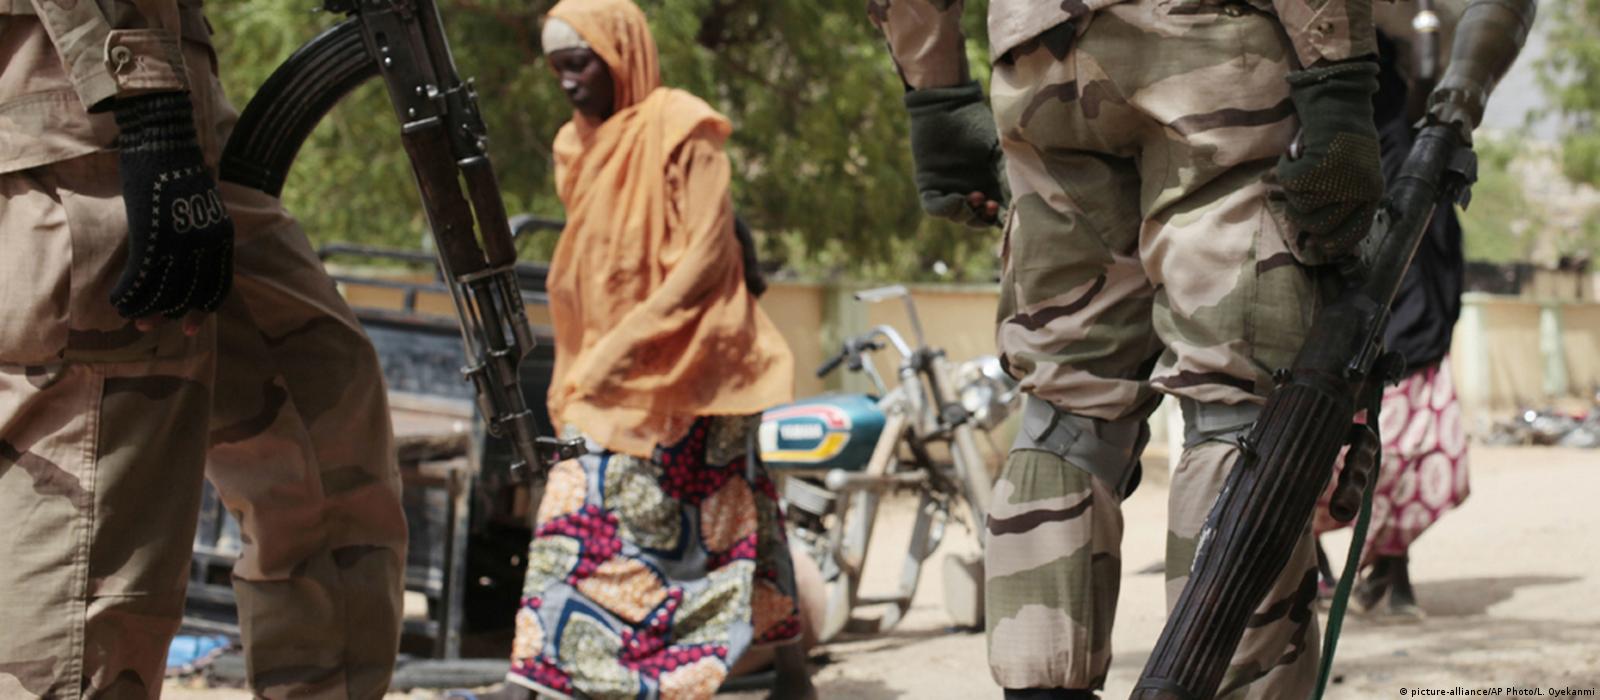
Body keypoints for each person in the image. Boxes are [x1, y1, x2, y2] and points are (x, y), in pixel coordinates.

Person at [871, 0, 1385, 697]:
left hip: (1043, 57)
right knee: (1236, 403)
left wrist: (935, 93)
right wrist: (1339, 85)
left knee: (1063, 412)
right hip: (1209, 47)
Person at [0, 1, 408, 697]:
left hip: (179, 107)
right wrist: (145, 103)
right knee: (91, 574)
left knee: (322, 408)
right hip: (81, 114)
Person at [491, 1, 814, 698]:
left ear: (621, 56)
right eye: (557, 68)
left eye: (580, 64)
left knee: (739, 522)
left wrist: (623, 347)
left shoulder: (684, 129)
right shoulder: (574, 147)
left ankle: (792, 675)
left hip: (701, 364)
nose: (568, 82)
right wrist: (596, 357)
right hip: (608, 374)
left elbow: (705, 259)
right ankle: (530, 677)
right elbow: (594, 269)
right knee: (574, 504)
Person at [1312, 0, 1474, 620]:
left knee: (1413, 453)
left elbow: (1429, 85)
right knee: (1328, 452)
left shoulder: (1405, 126)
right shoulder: (1347, 125)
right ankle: (1319, 567)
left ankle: (1390, 568)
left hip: (1414, 311)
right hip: (1358, 309)